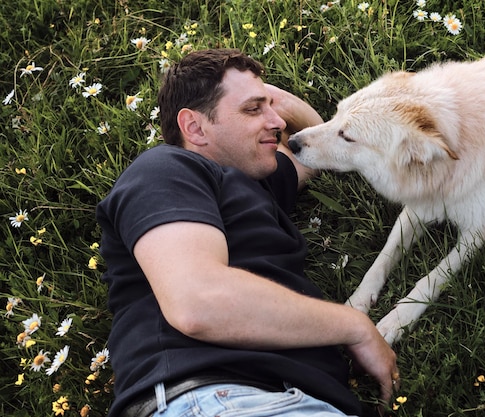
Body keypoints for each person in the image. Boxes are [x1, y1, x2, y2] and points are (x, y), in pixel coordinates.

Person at [96, 48, 399, 417]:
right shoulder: (164, 170)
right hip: (215, 396)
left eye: (273, 108)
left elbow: (308, 148)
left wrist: (273, 99)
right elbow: (199, 301)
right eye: (253, 110)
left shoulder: (258, 186)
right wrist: (355, 326)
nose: (276, 121)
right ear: (194, 127)